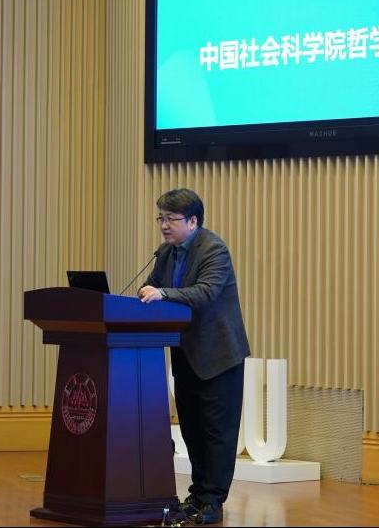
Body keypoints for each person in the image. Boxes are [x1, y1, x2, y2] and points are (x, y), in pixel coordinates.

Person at [138, 188, 251, 525]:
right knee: (191, 430)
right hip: (185, 354)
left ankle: (212, 501)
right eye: (161, 218)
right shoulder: (166, 253)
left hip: (218, 357)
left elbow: (205, 292)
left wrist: (162, 293)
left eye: (171, 219)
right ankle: (197, 495)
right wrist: (144, 295)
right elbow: (150, 288)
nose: (164, 225)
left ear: (193, 221)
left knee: (217, 433)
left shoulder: (214, 249)